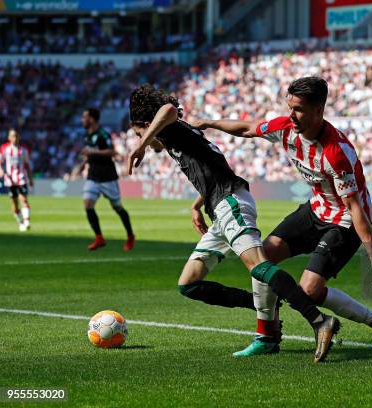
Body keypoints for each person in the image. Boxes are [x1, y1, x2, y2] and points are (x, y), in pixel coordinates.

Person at [193, 77, 372, 358]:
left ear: (319, 110)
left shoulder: (336, 153)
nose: (291, 115)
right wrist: (210, 123)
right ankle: (267, 336)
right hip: (316, 208)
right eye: (289, 107)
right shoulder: (285, 127)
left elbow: (355, 207)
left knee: (310, 290)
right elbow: (246, 128)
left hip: (343, 220)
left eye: (299, 110)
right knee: (262, 259)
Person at [127, 84, 341, 363]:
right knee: (189, 284)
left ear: (145, 124)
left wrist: (141, 144)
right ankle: (267, 305)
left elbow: (167, 111)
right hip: (218, 207)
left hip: (231, 203)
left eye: (138, 132)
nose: (142, 139)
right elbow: (213, 168)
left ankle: (318, 320)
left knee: (260, 267)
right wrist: (197, 205)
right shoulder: (178, 136)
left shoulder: (170, 128)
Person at [80, 108, 135, 251]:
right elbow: (91, 154)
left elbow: (112, 152)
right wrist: (83, 164)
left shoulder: (103, 134)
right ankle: (99, 238)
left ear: (92, 119)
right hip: (93, 176)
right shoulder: (87, 134)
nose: (82, 120)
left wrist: (92, 152)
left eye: (84, 117)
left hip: (107, 177)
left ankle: (130, 236)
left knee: (117, 207)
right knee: (87, 204)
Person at [0, 129, 33, 231]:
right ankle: (20, 222)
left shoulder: (23, 150)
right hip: (9, 180)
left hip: (21, 178)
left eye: (16, 136)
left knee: (24, 199)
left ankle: (27, 221)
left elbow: (27, 165)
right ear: (9, 138)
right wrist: (0, 171)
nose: (15, 138)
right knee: (14, 203)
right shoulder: (5, 148)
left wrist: (30, 178)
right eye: (13, 136)